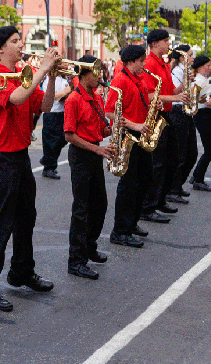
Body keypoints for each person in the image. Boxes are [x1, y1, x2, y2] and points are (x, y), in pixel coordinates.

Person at [0, 26, 58, 312]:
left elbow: (43, 105)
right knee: (3, 222)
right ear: (0, 50)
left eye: (19, 40)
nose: (21, 44)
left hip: (20, 155)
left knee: (26, 217)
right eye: (15, 41)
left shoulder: (23, 74)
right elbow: (17, 99)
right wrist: (43, 69)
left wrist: (52, 77)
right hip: (1, 157)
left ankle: (21, 271)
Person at [63, 55, 114, 279]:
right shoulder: (73, 99)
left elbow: (101, 131)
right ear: (84, 74)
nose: (100, 77)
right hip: (82, 155)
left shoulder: (97, 97)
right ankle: (76, 261)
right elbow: (69, 135)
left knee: (99, 205)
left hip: (95, 153)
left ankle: (90, 247)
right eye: (96, 72)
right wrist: (96, 149)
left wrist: (112, 127)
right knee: (81, 210)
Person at [104, 45, 153, 248]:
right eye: (141, 61)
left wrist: (153, 106)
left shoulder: (138, 79)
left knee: (144, 180)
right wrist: (135, 125)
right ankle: (120, 230)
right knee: (128, 185)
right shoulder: (120, 80)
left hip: (140, 135)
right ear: (131, 61)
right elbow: (109, 112)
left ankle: (131, 223)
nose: (144, 65)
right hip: (129, 136)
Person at [140, 29, 188, 222]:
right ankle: (148, 207)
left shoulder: (164, 63)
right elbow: (150, 95)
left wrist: (184, 86)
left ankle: (159, 200)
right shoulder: (150, 63)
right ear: (154, 44)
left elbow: (169, 90)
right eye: (165, 41)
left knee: (171, 159)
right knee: (157, 163)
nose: (169, 44)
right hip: (157, 115)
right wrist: (175, 97)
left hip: (167, 114)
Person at [167, 45, 195, 203]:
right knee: (181, 154)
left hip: (186, 111)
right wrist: (186, 82)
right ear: (182, 58)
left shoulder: (184, 72)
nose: (192, 59)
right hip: (177, 111)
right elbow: (172, 93)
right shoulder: (174, 71)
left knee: (191, 154)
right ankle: (173, 189)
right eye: (190, 56)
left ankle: (177, 186)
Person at [39, 69, 71, 179]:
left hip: (62, 112)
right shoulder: (48, 80)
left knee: (62, 139)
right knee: (51, 141)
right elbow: (51, 96)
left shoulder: (63, 80)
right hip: (51, 112)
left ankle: (47, 161)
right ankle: (48, 167)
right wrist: (66, 91)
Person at [190, 55, 211, 190]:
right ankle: (198, 179)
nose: (209, 68)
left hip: (205, 114)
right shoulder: (198, 80)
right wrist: (208, 101)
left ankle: (197, 175)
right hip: (202, 114)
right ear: (200, 67)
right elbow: (196, 98)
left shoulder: (203, 79)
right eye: (208, 66)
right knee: (209, 149)